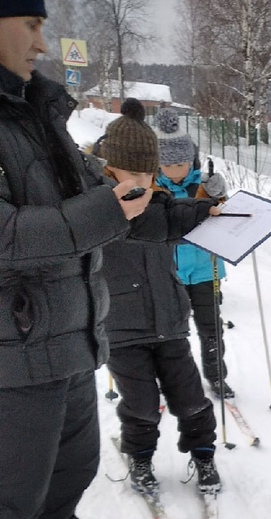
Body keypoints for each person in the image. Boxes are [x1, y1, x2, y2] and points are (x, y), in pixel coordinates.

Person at [0, 0, 154, 519]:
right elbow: (8, 235)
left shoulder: (40, 110)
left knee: (74, 466)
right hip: (16, 346)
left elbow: (86, 191)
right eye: (30, 25)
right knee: (13, 493)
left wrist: (144, 199)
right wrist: (102, 209)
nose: (43, 40)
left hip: (70, 333)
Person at [98, 99, 224, 497]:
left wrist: (208, 210)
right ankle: (140, 457)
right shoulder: (96, 209)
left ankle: (203, 453)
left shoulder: (156, 203)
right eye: (132, 172)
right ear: (107, 169)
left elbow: (178, 216)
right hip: (122, 328)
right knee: (140, 405)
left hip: (169, 321)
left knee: (191, 398)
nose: (141, 181)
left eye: (148, 174)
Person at [153, 107, 234, 398]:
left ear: (191, 161)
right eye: (169, 166)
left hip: (204, 268)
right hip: (167, 273)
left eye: (182, 164)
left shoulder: (204, 186)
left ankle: (216, 375)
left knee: (211, 327)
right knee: (170, 333)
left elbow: (222, 212)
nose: (176, 171)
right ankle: (170, 380)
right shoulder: (152, 190)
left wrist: (219, 194)